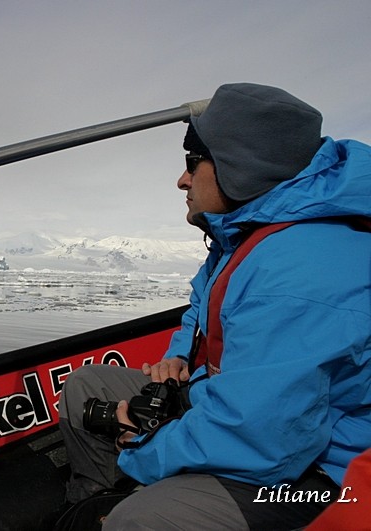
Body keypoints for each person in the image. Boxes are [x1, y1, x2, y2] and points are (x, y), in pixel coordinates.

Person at [58, 83, 371, 529]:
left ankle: (119, 508)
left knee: (143, 520)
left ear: (240, 169)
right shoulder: (245, 233)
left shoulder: (301, 273)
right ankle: (96, 500)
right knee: (86, 386)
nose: (182, 180)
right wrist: (179, 356)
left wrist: (139, 448)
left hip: (321, 473)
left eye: (193, 163)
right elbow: (202, 309)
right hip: (245, 412)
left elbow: (261, 439)